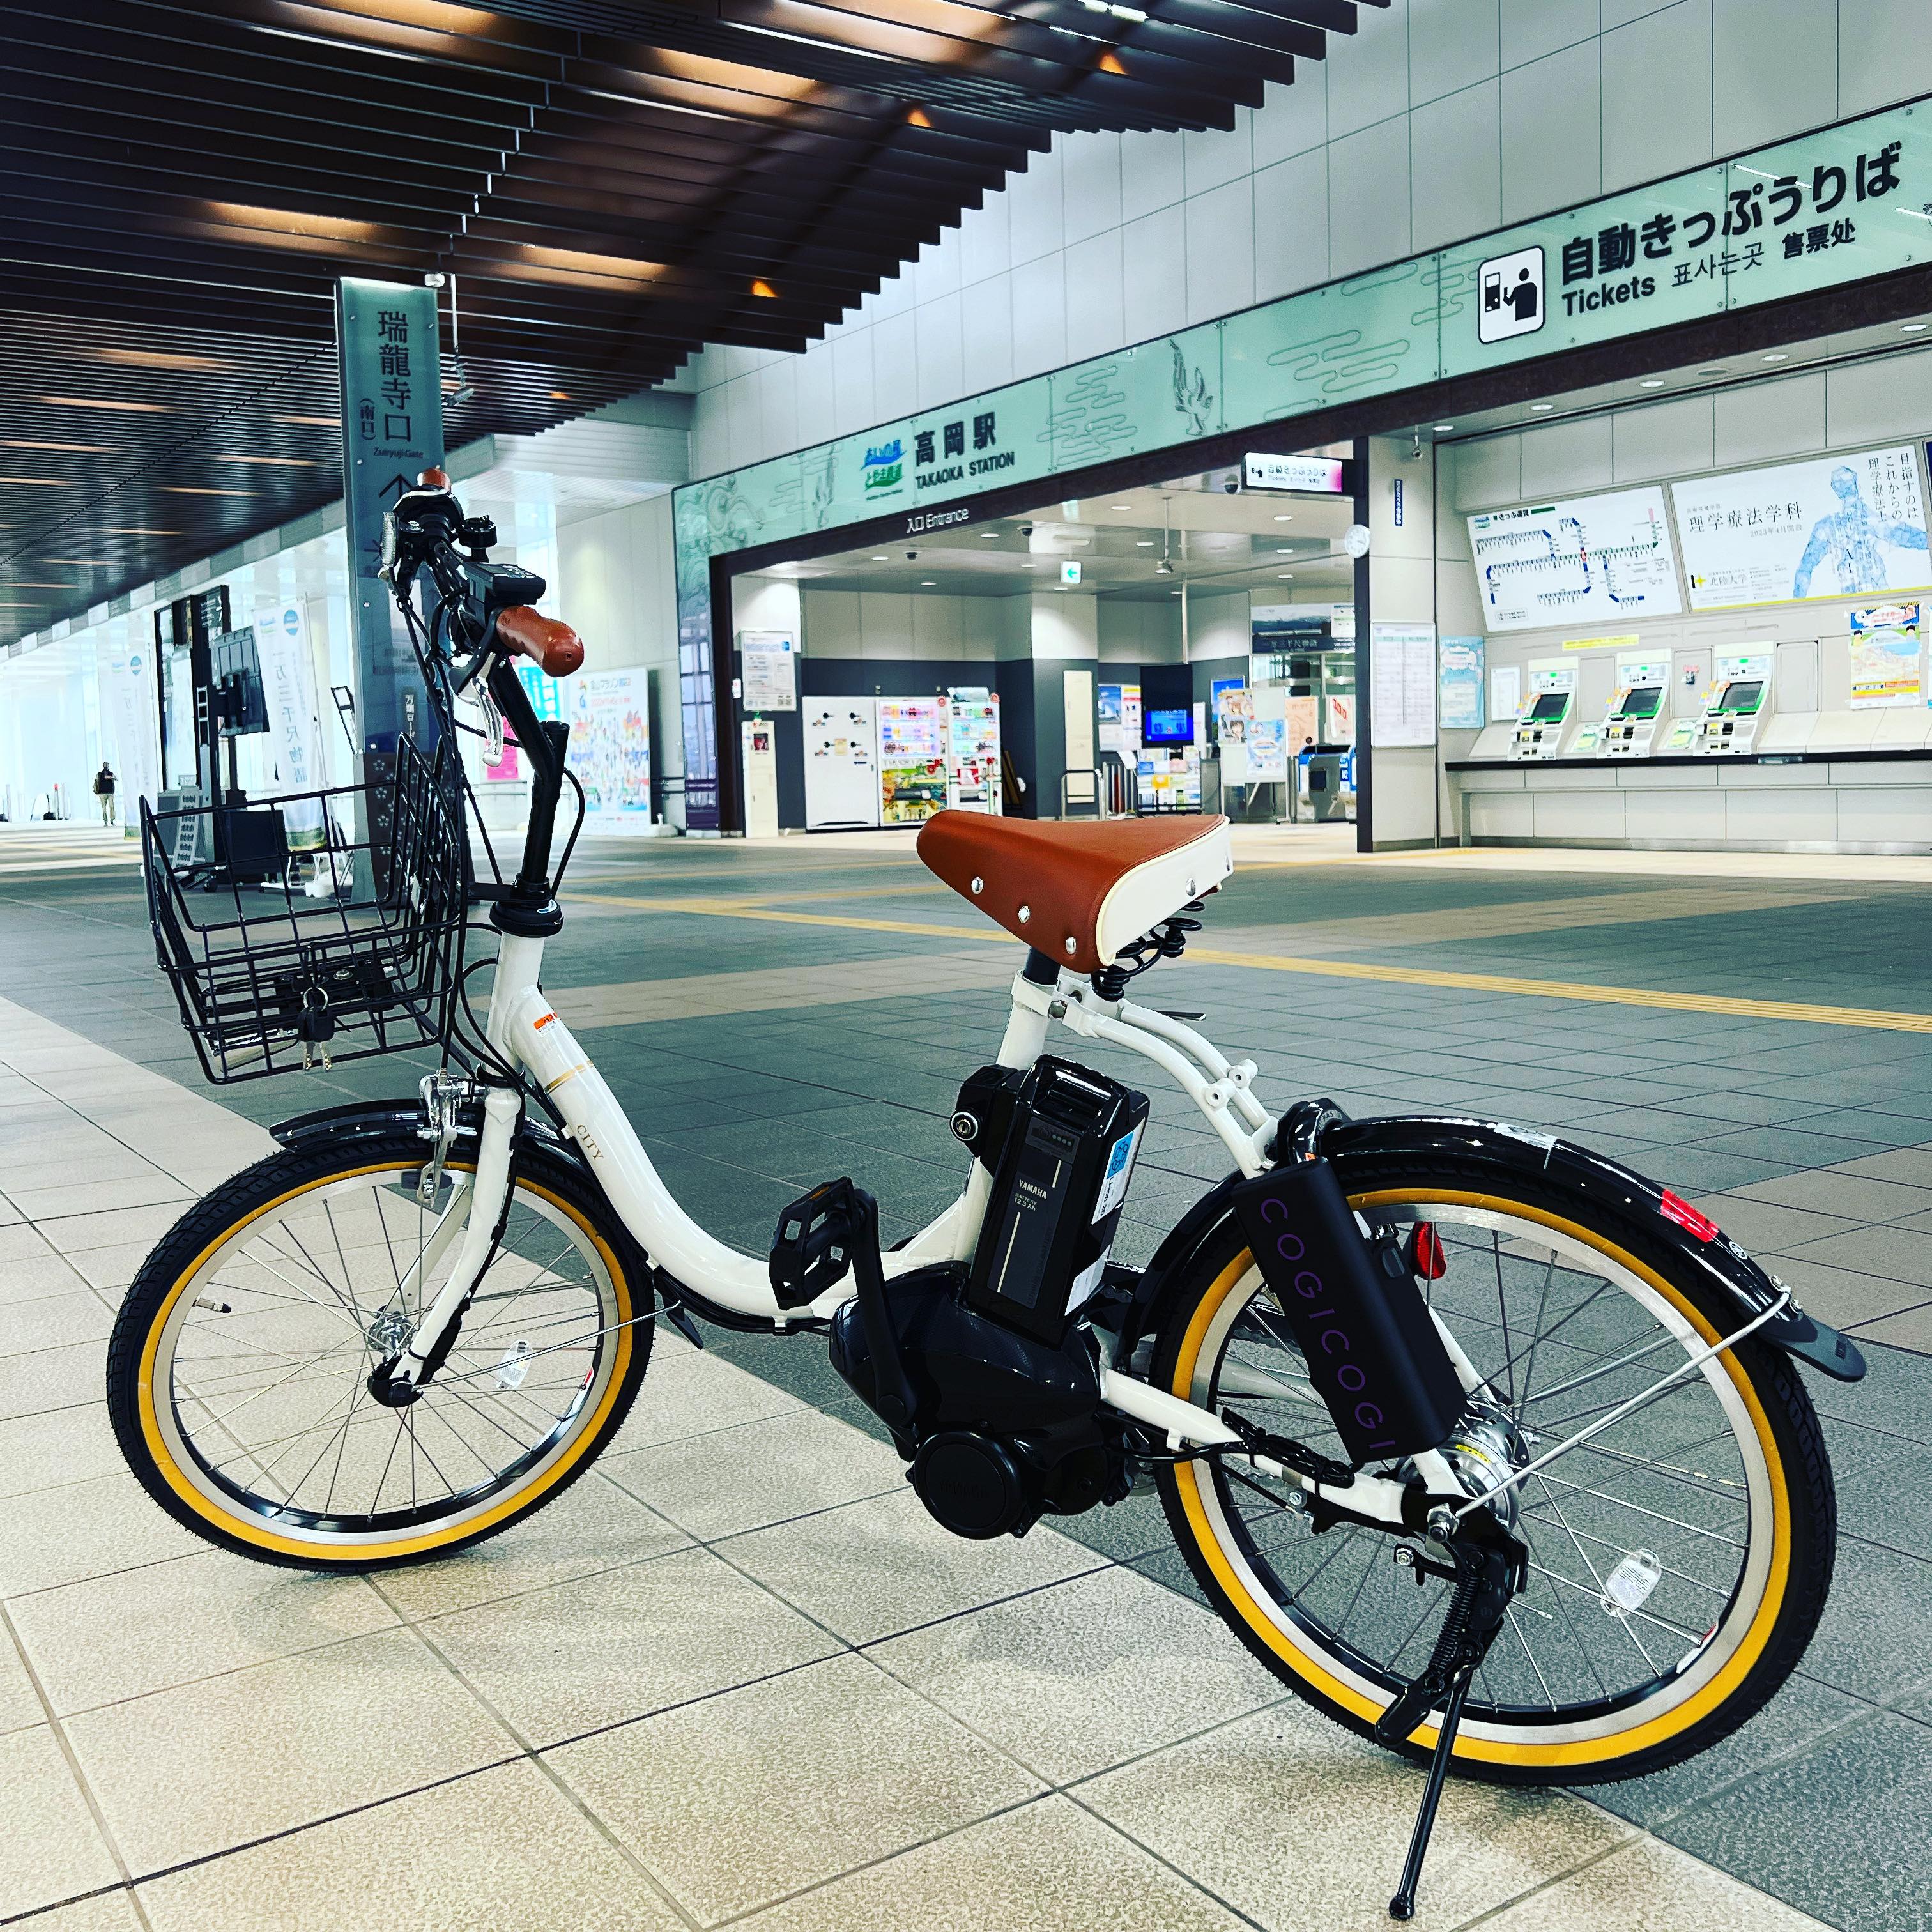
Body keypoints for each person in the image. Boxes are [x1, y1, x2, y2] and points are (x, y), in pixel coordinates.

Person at [93, 762, 116, 827]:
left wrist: (95, 791)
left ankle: (107, 821)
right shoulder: (109, 774)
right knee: (110, 807)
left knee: (105, 808)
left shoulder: (99, 774)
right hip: (108, 793)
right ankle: (110, 821)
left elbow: (95, 783)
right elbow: (116, 779)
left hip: (104, 793)